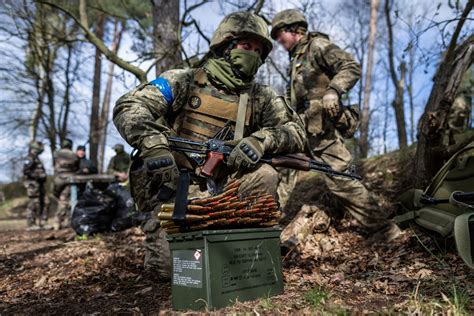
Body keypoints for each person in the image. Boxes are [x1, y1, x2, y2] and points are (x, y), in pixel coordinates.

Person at [113, 11, 306, 279]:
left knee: (266, 173)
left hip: (227, 192)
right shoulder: (184, 80)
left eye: (258, 50)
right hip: (178, 190)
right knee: (172, 271)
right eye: (246, 46)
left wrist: (261, 141)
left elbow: (295, 131)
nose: (252, 54)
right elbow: (130, 105)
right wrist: (152, 142)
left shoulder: (261, 97)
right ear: (225, 45)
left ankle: (247, 249)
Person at [271, 9, 399, 239]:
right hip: (302, 127)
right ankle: (267, 225)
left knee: (341, 179)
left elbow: (350, 66)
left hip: (322, 129)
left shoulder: (317, 46)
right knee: (279, 168)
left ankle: (384, 229)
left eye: (280, 34)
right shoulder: (296, 59)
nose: (278, 41)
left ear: (293, 30)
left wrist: (333, 91)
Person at [22, 141, 50, 230]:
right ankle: (31, 224)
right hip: (33, 184)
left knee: (45, 202)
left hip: (40, 184)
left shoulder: (37, 158)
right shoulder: (30, 157)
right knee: (33, 203)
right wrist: (37, 176)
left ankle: (43, 222)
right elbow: (26, 171)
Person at [53, 138, 80, 229]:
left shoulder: (57, 153)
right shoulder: (73, 154)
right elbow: (77, 166)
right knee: (65, 200)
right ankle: (61, 221)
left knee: (61, 199)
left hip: (58, 178)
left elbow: (55, 163)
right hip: (69, 179)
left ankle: (60, 222)